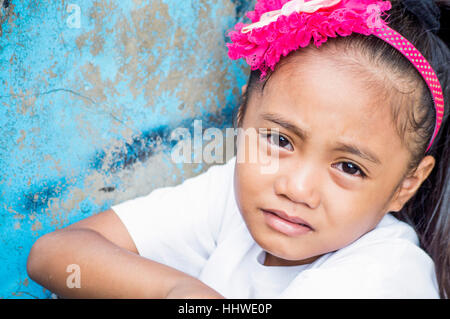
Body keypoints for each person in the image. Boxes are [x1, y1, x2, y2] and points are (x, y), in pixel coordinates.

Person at [27, 0, 449, 298]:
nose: (297, 188)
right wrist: (178, 291)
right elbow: (54, 256)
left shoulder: (387, 277)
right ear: (243, 117)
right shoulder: (232, 197)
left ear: (406, 185)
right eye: (280, 141)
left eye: (349, 167)